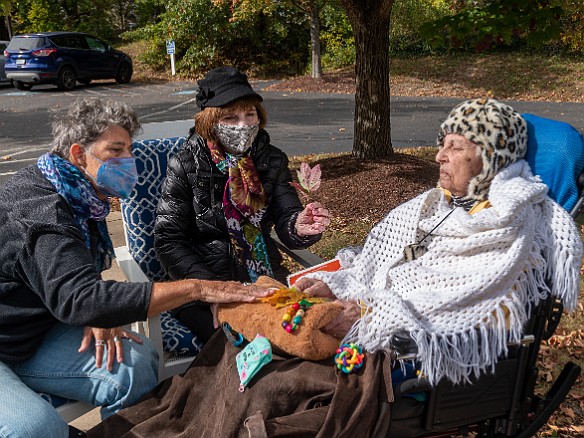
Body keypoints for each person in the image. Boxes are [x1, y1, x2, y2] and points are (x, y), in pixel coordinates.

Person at [0, 97, 269, 438]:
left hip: (33, 331)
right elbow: (81, 296)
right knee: (34, 427)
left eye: (129, 149)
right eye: (116, 151)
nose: (130, 160)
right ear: (79, 154)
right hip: (10, 338)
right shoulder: (41, 213)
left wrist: (95, 308)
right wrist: (198, 287)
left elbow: (72, 280)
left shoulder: (72, 189)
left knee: (135, 367)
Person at [295, 98, 582, 384]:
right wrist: (338, 285)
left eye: (455, 147)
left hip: (415, 362)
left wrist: (370, 312)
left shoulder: (510, 224)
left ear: (492, 157)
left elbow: (461, 303)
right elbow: (376, 264)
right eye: (442, 144)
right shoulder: (435, 205)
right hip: (372, 333)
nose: (439, 156)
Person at [154, 66, 330, 342]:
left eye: (250, 114)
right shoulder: (186, 165)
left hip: (263, 280)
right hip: (204, 286)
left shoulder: (271, 159)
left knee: (309, 329)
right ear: (210, 121)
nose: (243, 125)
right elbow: (168, 240)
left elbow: (287, 218)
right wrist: (213, 290)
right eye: (230, 117)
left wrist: (300, 226)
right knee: (259, 338)